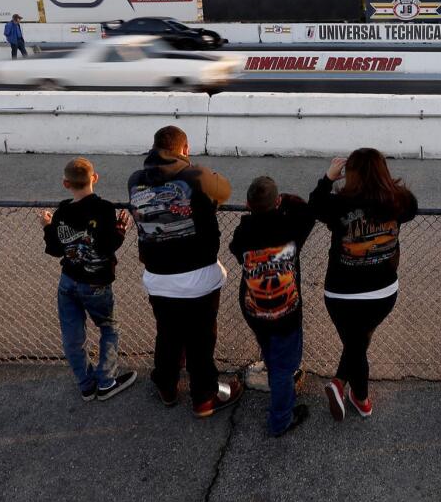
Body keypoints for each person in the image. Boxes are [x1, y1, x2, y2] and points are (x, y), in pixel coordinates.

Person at [129, 125, 243, 417]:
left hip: (157, 277)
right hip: (197, 276)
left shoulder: (135, 180)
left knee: (167, 334)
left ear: (154, 148)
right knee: (200, 339)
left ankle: (166, 386)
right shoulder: (196, 176)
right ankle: (204, 396)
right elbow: (226, 190)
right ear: (185, 149)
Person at [310, 148, 417, 421]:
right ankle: (355, 394)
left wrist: (328, 178)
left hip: (341, 291)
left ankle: (350, 390)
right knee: (359, 341)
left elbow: (314, 206)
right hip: (382, 291)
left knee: (355, 342)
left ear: (351, 173)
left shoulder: (339, 204)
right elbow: (412, 208)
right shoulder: (399, 200)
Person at [40, 157, 138, 402]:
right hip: (96, 283)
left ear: (66, 184)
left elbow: (54, 249)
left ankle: (85, 384)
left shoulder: (62, 212)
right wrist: (121, 229)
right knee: (109, 328)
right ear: (95, 178)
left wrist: (48, 226)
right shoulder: (105, 208)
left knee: (72, 336)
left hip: (68, 281)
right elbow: (107, 247)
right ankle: (106, 381)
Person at [229, 176, 316, 436]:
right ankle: (281, 420)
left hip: (254, 308)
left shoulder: (243, 232)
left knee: (270, 350)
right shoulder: (291, 229)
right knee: (283, 367)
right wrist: (287, 200)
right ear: (277, 202)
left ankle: (279, 379)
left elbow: (235, 250)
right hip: (285, 310)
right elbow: (309, 213)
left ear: (247, 204)